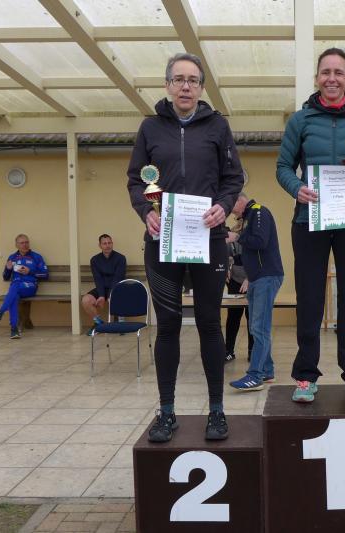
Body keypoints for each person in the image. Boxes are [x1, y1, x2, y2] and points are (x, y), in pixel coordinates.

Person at [127, 52, 244, 443]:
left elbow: (233, 178)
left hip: (209, 239)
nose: (186, 86)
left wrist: (223, 206)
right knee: (168, 327)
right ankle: (166, 412)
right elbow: (136, 180)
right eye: (179, 79)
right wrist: (145, 211)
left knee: (210, 324)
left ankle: (217, 411)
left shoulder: (218, 126)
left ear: (201, 88)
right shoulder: (150, 128)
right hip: (162, 241)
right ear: (167, 85)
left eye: (193, 80)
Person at [276, 47, 345, 403]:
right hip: (308, 219)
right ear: (317, 78)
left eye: (338, 72)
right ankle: (305, 376)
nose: (332, 79)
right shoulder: (300, 121)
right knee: (309, 298)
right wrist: (296, 188)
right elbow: (282, 167)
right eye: (326, 72)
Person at [228, 193, 284, 391]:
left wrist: (237, 237)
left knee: (259, 327)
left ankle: (255, 375)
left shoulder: (258, 211)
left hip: (266, 276)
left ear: (239, 200)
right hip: (257, 278)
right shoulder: (248, 217)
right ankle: (267, 371)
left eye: (231, 205)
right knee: (256, 326)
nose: (230, 211)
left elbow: (260, 241)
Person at [0, 234, 48, 340]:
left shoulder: (36, 257)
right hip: (16, 287)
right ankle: (14, 330)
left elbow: (45, 275)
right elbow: (5, 277)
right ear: (16, 245)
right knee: (14, 295)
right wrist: (8, 269)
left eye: (26, 242)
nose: (25, 245)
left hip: (30, 286)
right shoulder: (12, 257)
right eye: (22, 243)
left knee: (14, 288)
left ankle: (0, 312)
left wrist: (30, 271)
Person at [82, 234, 127, 336]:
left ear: (112, 243)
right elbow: (97, 279)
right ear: (100, 245)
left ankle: (120, 323)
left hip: (116, 288)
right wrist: (102, 295)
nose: (107, 245)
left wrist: (111, 294)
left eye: (109, 243)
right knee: (86, 300)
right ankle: (98, 323)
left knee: (116, 295)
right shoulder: (95, 260)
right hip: (101, 288)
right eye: (104, 243)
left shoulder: (121, 258)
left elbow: (118, 278)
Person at [224, 222, 253, 363]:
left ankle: (252, 352)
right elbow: (224, 255)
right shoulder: (231, 236)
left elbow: (258, 260)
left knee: (251, 317)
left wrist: (250, 278)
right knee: (233, 317)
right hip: (234, 280)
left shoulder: (254, 237)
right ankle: (229, 351)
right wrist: (225, 268)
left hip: (252, 280)